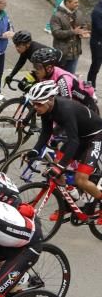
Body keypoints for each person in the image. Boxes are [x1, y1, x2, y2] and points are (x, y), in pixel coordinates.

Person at [29, 80, 102, 214]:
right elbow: (46, 132)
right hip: (80, 137)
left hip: (95, 137)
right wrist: (34, 151)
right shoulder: (46, 109)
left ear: (50, 99)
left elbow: (73, 142)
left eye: (38, 104)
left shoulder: (65, 110)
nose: (35, 107)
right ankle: (71, 196)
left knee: (80, 179)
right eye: (33, 103)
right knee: (55, 167)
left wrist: (61, 167)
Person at [29, 47, 97, 113]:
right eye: (34, 66)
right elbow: (39, 101)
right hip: (71, 100)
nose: (35, 70)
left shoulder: (62, 81)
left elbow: (67, 108)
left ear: (49, 68)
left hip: (86, 100)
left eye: (38, 67)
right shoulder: (44, 74)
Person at [50, 0, 92, 73]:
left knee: (71, 77)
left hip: (75, 53)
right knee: (59, 76)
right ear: (67, 3)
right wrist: (73, 32)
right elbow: (56, 33)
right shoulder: (56, 16)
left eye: (78, 2)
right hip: (62, 54)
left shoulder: (79, 13)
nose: (78, 4)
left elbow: (83, 25)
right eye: (75, 2)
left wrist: (83, 33)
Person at [91, 0, 102, 88]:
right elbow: (100, 28)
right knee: (95, 66)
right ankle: (91, 87)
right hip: (97, 43)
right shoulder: (97, 11)